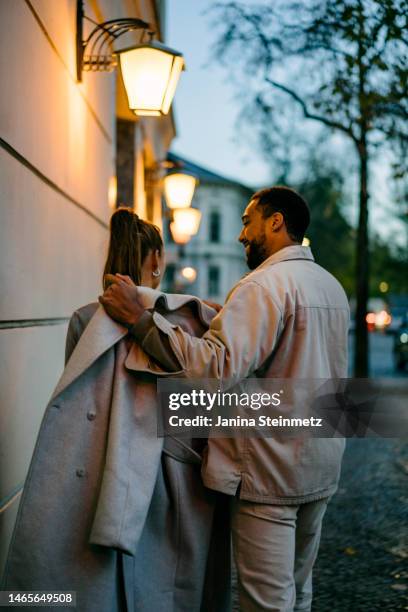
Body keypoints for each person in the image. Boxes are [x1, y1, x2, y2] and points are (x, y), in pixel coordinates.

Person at [100, 187, 350, 612]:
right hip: (320, 466)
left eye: (247, 221)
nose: (240, 235)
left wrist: (141, 320)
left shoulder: (263, 286)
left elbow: (213, 370)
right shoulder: (330, 286)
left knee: (266, 603)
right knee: (299, 594)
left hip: (268, 472)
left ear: (276, 222)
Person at [3, 208, 231, 612]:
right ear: (157, 260)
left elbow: (80, 401)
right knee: (164, 586)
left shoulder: (85, 320)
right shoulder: (189, 321)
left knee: (89, 585)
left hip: (97, 470)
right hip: (170, 473)